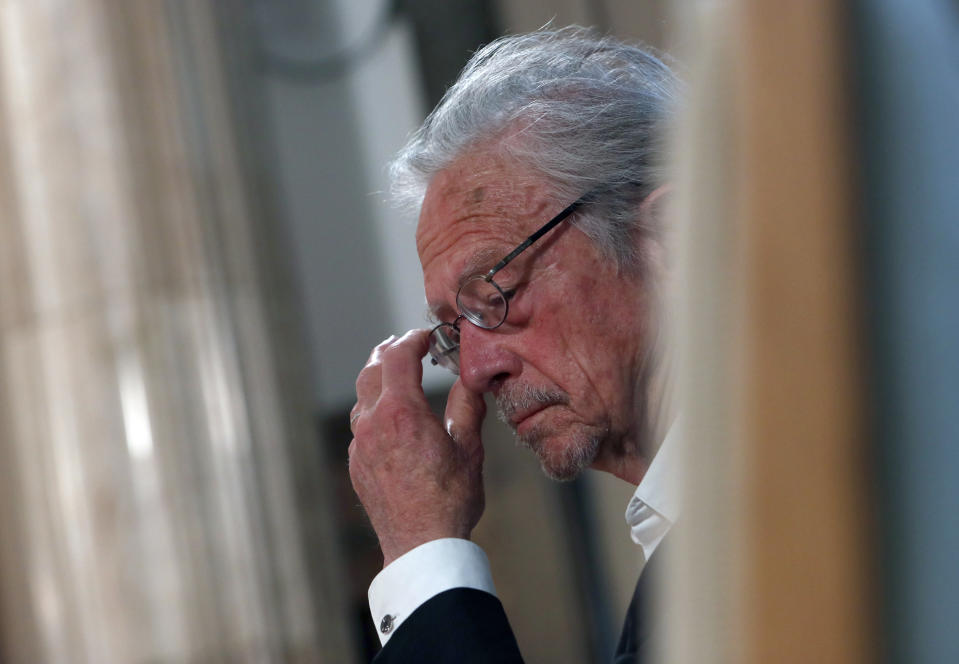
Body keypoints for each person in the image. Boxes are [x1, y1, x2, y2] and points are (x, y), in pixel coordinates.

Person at [348, 26, 680, 663]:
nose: (474, 370)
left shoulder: (788, 495)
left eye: (494, 292)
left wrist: (424, 554)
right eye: (454, 329)